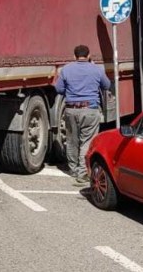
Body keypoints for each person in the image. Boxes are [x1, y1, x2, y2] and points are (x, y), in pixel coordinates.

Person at [54, 44, 112, 185]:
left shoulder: (66, 69)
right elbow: (107, 85)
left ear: (74, 56)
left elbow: (59, 89)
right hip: (90, 110)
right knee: (87, 141)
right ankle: (82, 173)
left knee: (72, 140)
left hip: (71, 110)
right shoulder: (96, 69)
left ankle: (73, 169)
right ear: (89, 55)